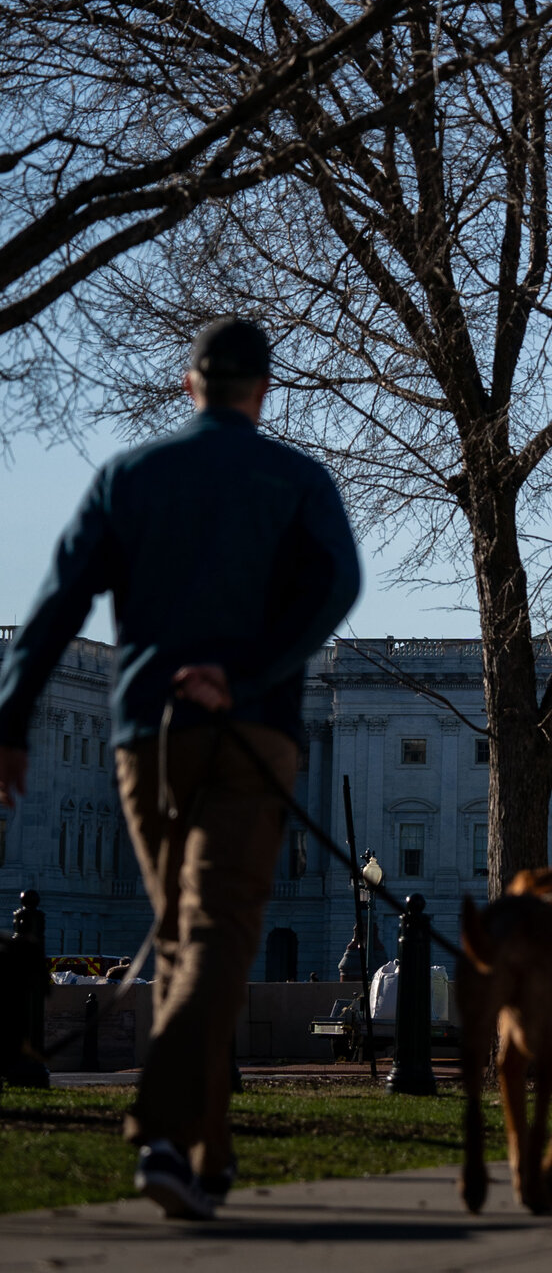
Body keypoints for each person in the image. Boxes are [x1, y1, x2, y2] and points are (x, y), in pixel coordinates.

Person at [0, 319, 359, 1220]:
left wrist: (10, 720)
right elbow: (338, 588)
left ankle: (208, 1146)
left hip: (147, 735)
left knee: (179, 933)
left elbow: (57, 602)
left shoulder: (132, 476)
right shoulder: (297, 479)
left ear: (189, 385)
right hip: (252, 732)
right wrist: (249, 673)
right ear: (261, 391)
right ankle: (166, 1132)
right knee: (211, 939)